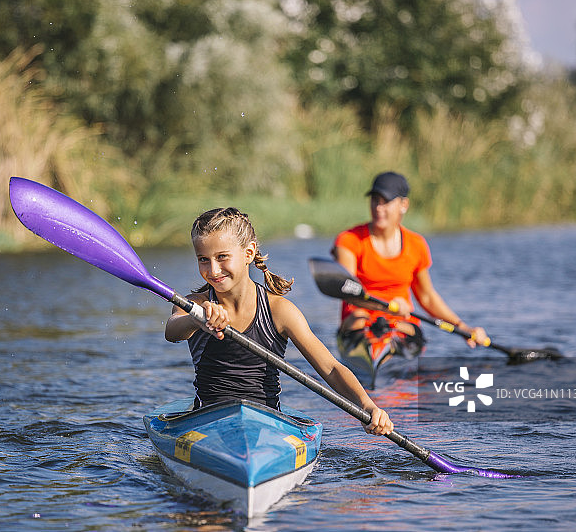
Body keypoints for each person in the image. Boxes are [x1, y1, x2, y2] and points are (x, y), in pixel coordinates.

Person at [165, 207, 393, 436]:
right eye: (203, 260)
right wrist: (198, 319)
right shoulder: (194, 305)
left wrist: (367, 405)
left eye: (222, 257)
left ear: (249, 253)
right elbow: (172, 330)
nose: (213, 270)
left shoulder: (280, 311)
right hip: (207, 422)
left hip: (266, 426)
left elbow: (331, 368)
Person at [333, 171, 488, 381]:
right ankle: (374, 359)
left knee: (407, 328)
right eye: (375, 200)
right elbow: (347, 292)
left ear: (403, 205)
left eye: (386, 201)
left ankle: (388, 359)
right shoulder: (349, 240)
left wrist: (462, 327)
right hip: (360, 317)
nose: (379, 208)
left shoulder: (416, 245)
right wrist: (385, 306)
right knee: (358, 319)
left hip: (401, 320)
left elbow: (427, 297)